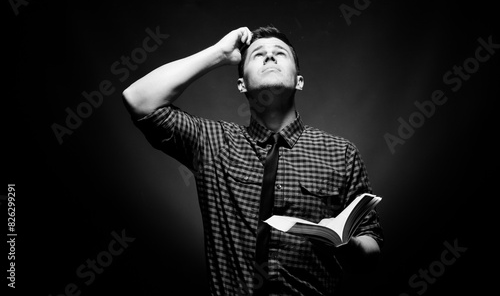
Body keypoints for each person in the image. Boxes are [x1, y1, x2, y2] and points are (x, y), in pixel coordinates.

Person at [122, 26, 383, 295]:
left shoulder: (341, 153)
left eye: (280, 53)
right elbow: (139, 99)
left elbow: (371, 246)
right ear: (241, 85)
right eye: (258, 54)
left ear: (299, 81)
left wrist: (348, 243)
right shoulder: (213, 142)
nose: (270, 57)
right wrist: (218, 53)